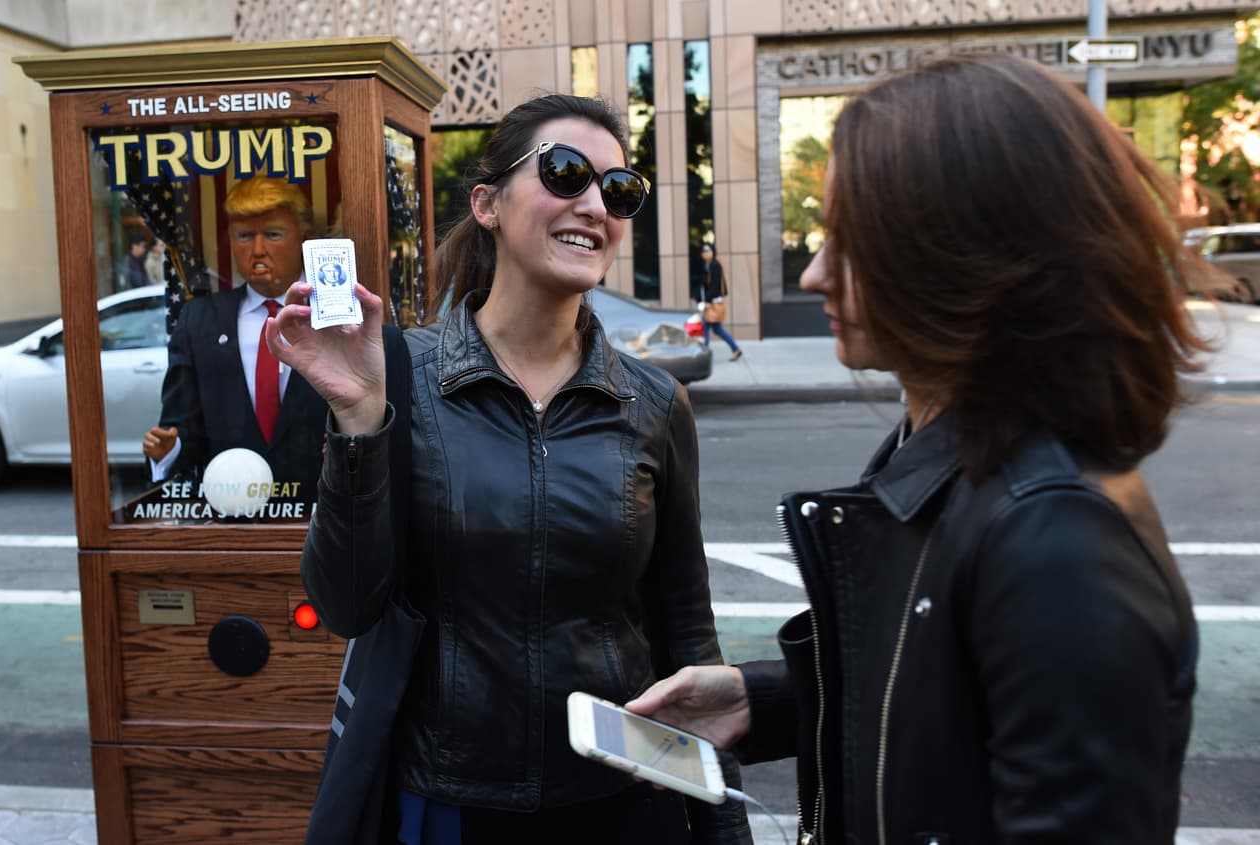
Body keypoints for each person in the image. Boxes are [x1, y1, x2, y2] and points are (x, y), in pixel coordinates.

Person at [627, 54, 1215, 844]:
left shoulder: (1056, 541)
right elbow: (941, 696)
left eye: (852, 241)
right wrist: (768, 701)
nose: (814, 275)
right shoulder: (942, 458)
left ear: (964, 256)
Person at [267, 94, 752, 844]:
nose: (593, 203)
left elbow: (687, 630)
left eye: (618, 189)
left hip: (623, 798)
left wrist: (724, 829)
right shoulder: (400, 374)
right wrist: (361, 420)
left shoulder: (655, 402)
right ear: (486, 203)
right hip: (453, 802)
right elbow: (347, 606)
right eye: (565, 174)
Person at [141, 175, 330, 513]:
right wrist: (168, 450)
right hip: (231, 515)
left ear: (305, 238)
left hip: (324, 514)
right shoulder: (199, 320)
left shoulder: (337, 317)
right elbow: (183, 426)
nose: (257, 250)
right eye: (245, 236)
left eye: (273, 234)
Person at [696, 243, 742, 360]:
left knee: (705, 327)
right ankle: (735, 349)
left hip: (713, 302)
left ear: (713, 252)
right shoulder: (707, 265)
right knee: (717, 329)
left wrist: (707, 300)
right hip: (712, 301)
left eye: (708, 250)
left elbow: (716, 285)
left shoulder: (715, 265)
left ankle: (704, 355)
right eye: (703, 251)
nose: (705, 253)